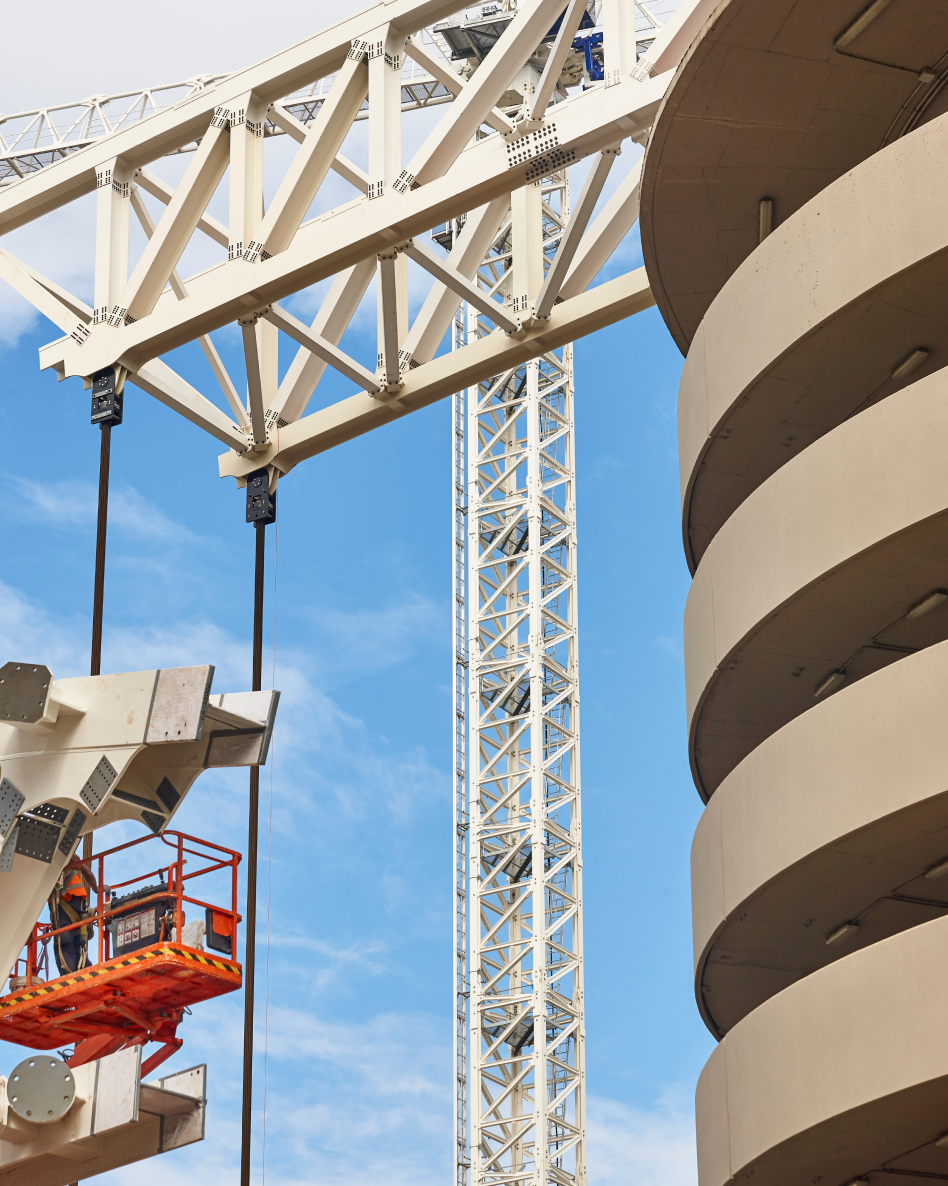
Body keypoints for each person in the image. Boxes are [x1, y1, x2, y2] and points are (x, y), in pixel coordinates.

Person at [49, 855, 99, 976]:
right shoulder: (73, 859)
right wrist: (97, 889)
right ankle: (86, 972)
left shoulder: (60, 857)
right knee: (79, 943)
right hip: (79, 905)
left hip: (64, 902)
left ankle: (68, 978)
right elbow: (87, 872)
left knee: (64, 943)